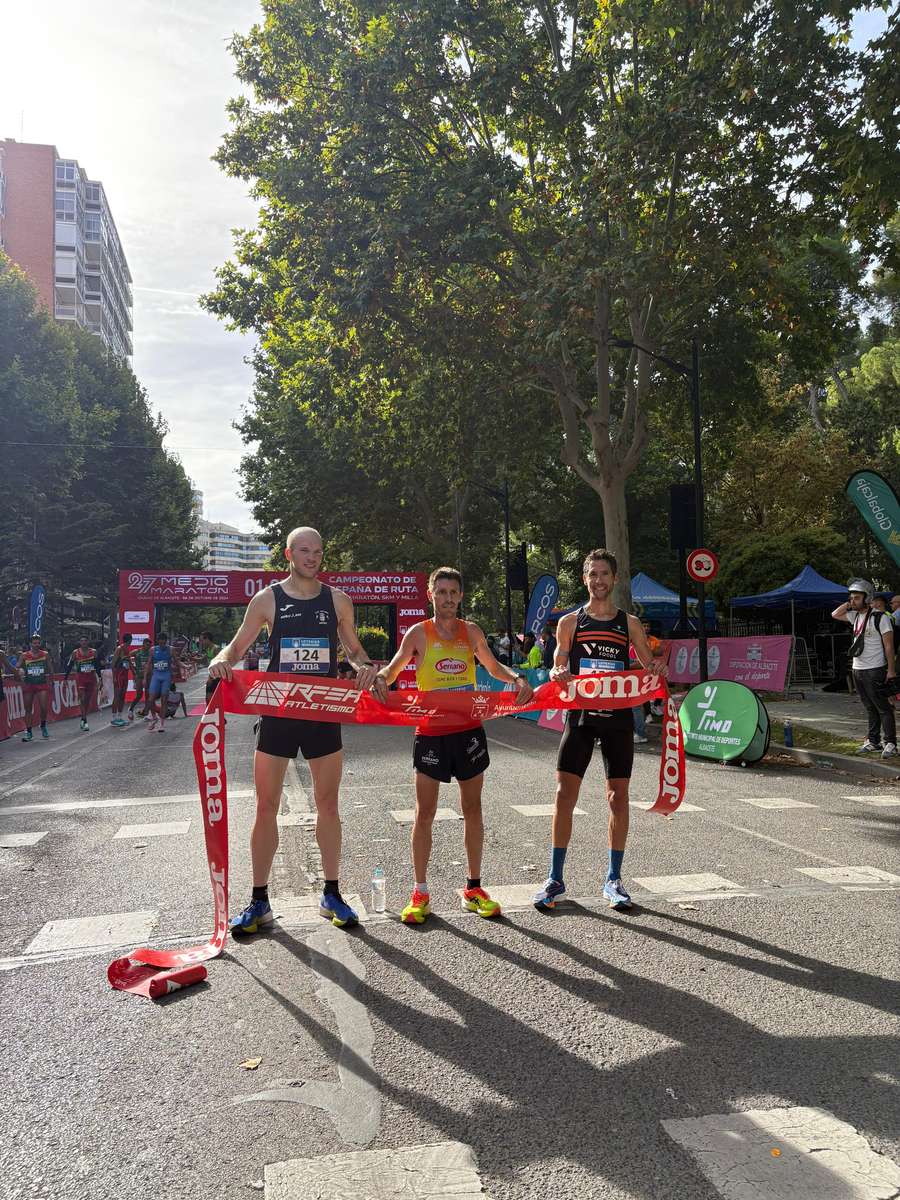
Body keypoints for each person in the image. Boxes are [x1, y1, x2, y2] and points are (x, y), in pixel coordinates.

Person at [209, 526, 380, 933]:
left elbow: (354, 650)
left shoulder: (337, 600)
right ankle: (258, 901)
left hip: (322, 712)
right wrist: (221, 660)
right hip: (278, 713)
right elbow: (236, 647)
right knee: (266, 806)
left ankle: (332, 893)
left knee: (329, 805)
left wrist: (365, 667)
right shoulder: (267, 599)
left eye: (318, 551)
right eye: (304, 550)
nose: (312, 557)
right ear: (288, 553)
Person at [373, 567, 533, 924]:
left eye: (453, 593)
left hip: (468, 732)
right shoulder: (418, 633)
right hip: (430, 732)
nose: (447, 598)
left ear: (461, 596)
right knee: (424, 813)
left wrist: (518, 677)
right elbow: (394, 669)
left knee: (472, 809)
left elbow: (492, 667)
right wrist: (381, 679)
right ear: (430, 594)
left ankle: (473, 888)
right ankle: (420, 892)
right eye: (441, 592)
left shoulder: (470, 631)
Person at [533, 549, 668, 913]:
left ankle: (614, 879)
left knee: (617, 798)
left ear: (615, 579)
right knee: (564, 794)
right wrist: (556, 673)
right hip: (580, 716)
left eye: (604, 574)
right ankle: (555, 878)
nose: (598, 580)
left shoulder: (630, 623)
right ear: (584, 579)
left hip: (618, 719)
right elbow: (558, 665)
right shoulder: (570, 623)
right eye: (592, 574)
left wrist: (658, 666)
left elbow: (647, 664)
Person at [832, 581, 896, 757]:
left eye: (857, 598)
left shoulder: (880, 618)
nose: (853, 601)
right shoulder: (855, 616)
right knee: (869, 707)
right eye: (851, 598)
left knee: (883, 707)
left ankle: (890, 743)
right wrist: (850, 601)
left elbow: (889, 647)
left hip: (875, 669)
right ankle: (873, 741)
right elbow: (835, 614)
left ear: (867, 598)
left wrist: (891, 670)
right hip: (857, 668)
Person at [17, 634, 54, 741]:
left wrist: (52, 681)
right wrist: (19, 672)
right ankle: (29, 731)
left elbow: (50, 669)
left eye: (38, 643)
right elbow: (17, 667)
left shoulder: (45, 654)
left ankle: (43, 725)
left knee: (43, 707)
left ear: (40, 643)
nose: (36, 645)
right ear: (30, 644)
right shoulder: (24, 655)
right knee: (28, 708)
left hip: (41, 684)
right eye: (34, 643)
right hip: (29, 684)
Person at [144, 633, 182, 733]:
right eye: (160, 642)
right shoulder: (152, 650)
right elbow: (148, 664)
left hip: (166, 676)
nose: (162, 644)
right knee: (150, 699)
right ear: (158, 641)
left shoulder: (171, 649)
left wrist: (185, 666)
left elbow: (177, 661)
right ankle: (154, 717)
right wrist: (144, 678)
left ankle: (161, 724)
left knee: (164, 699)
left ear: (166, 641)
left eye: (164, 642)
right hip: (156, 676)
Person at [66, 636, 101, 732]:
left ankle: (82, 717)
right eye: (82, 641)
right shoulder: (75, 653)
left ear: (88, 642)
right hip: (80, 677)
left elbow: (97, 665)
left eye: (85, 641)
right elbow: (70, 665)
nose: (84, 642)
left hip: (91, 677)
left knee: (87, 700)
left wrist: (100, 676)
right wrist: (66, 677)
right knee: (81, 698)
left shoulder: (93, 652)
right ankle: (85, 721)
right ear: (79, 643)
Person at [109, 634, 134, 728]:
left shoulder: (128, 649)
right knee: (117, 696)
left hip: (125, 675)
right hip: (119, 675)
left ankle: (119, 717)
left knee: (123, 696)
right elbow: (113, 664)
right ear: (129, 640)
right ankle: (113, 718)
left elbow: (128, 663)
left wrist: (134, 673)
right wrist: (114, 677)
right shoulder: (119, 649)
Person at [129, 636, 152, 720]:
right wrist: (132, 668)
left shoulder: (150, 652)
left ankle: (146, 713)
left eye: (149, 645)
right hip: (139, 676)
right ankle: (131, 709)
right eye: (147, 645)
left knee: (147, 695)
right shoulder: (137, 651)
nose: (148, 646)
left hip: (148, 676)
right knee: (139, 695)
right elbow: (127, 657)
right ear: (143, 644)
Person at [197, 631, 221, 711]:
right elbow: (202, 660)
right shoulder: (208, 649)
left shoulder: (216, 649)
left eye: (202, 640)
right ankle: (213, 716)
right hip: (212, 676)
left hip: (217, 677)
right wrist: (191, 659)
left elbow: (218, 665)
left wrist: (211, 678)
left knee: (211, 698)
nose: (201, 642)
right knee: (208, 699)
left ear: (207, 639)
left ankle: (217, 717)